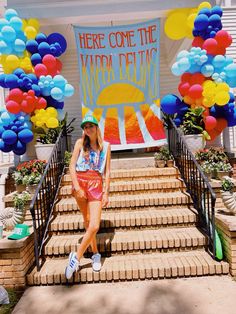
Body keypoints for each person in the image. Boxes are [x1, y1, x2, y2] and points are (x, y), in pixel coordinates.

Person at [65, 115, 111, 280]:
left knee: (94, 225)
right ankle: (95, 253)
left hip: (96, 184)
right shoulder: (79, 143)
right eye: (85, 127)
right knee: (87, 219)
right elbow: (71, 165)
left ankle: (75, 258)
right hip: (81, 182)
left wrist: (106, 192)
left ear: (97, 127)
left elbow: (106, 171)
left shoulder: (105, 146)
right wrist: (77, 187)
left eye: (91, 126)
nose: (88, 129)